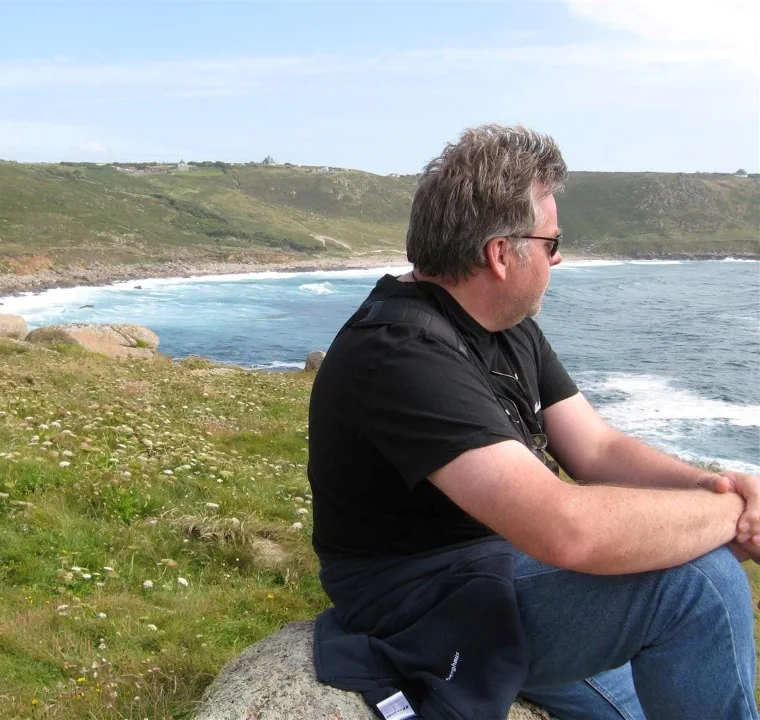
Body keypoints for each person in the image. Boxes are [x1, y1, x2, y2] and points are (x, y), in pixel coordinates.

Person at [308, 124, 760, 720]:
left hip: (499, 569)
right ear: (501, 254)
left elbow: (595, 448)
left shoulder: (506, 323)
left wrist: (713, 486)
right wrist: (733, 516)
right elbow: (564, 529)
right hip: (426, 600)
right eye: (551, 241)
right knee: (697, 582)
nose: (559, 255)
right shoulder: (400, 353)